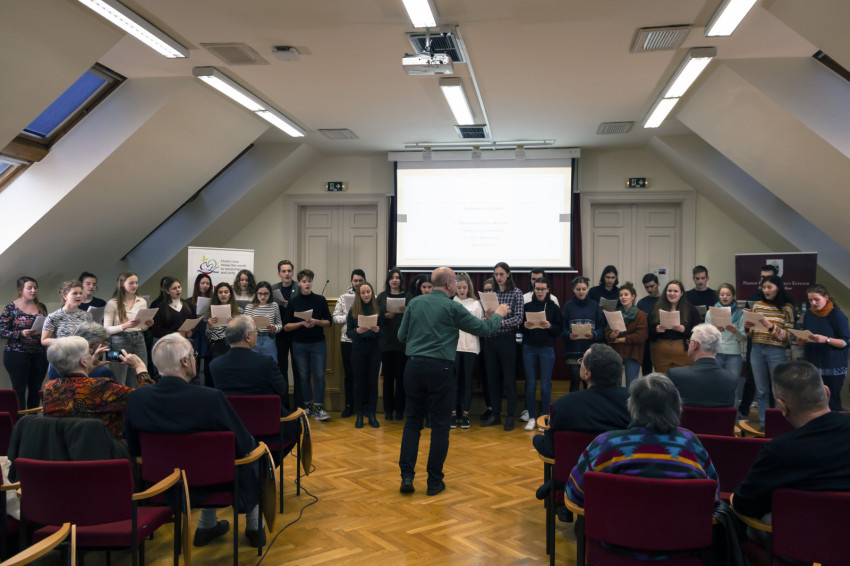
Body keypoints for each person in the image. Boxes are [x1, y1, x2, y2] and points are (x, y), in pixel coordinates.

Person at [124, 333, 264, 548]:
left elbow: (134, 447)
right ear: (184, 362)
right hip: (213, 481)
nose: (194, 359)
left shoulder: (137, 398)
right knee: (251, 449)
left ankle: (208, 525)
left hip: (161, 484)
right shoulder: (210, 398)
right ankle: (254, 526)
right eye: (193, 355)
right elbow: (242, 444)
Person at [566, 373, 718, 559]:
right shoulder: (691, 443)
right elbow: (713, 497)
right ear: (677, 407)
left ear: (632, 407)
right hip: (679, 550)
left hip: (616, 546)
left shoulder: (607, 443)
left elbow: (574, 493)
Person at [397, 267, 510, 496]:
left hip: (414, 367)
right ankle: (434, 482)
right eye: (455, 281)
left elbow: (401, 336)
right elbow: (484, 329)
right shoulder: (452, 307)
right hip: (440, 369)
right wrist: (499, 313)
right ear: (449, 284)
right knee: (440, 426)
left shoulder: (415, 303)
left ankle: (407, 477)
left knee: (412, 423)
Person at [732, 360, 850, 521]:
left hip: (800, 532)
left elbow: (743, 504)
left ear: (782, 406)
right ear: (827, 393)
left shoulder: (778, 451)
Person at [43, 335, 152, 440]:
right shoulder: (103, 386)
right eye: (89, 353)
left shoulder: (49, 388)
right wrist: (140, 367)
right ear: (83, 361)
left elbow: (77, 384)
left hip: (63, 449)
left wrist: (87, 368)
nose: (92, 355)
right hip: (105, 448)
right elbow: (147, 398)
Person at [533, 343, 630, 460]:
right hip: (622, 468)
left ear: (587, 373)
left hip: (575, 470)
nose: (580, 364)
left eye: (581, 361)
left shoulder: (562, 406)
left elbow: (550, 450)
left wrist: (536, 439)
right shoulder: (634, 402)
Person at [209, 316, 298, 442]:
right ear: (247, 337)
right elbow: (282, 390)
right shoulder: (266, 362)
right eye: (255, 331)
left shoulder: (215, 365)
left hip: (233, 432)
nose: (256, 334)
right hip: (270, 431)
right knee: (298, 426)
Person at [746, 275, 794, 427]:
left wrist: (772, 327)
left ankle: (779, 425)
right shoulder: (757, 306)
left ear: (778, 288)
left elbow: (788, 337)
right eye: (763, 287)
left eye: (769, 287)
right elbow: (752, 333)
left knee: (778, 391)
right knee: (761, 391)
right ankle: (764, 425)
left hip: (776, 351)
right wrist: (748, 327)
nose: (765, 290)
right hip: (756, 349)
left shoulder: (787, 308)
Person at [284, 269, 332, 421]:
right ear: (299, 283)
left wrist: (316, 321)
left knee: (319, 375)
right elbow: (286, 326)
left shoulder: (320, 300)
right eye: (304, 281)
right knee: (304, 376)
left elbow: (329, 322)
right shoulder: (293, 302)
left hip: (318, 343)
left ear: (312, 282)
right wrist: (301, 323)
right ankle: (308, 407)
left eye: (309, 281)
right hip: (299, 344)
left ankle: (319, 408)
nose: (307, 284)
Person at [481, 262, 524, 431]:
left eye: (501, 274)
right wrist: (488, 317)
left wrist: (497, 322)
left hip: (507, 339)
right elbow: (487, 316)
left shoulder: (516, 293)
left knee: (509, 378)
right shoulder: (491, 293)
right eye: (496, 274)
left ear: (508, 274)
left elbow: (518, 318)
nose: (498, 277)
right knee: (492, 378)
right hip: (491, 339)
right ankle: (496, 414)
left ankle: (511, 415)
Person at [798, 284, 849, 412]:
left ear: (826, 297)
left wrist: (826, 339)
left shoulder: (837, 315)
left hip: (833, 364)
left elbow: (845, 342)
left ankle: (835, 424)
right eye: (810, 300)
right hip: (812, 362)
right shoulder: (809, 314)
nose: (813, 303)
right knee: (814, 402)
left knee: (832, 402)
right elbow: (808, 335)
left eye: (816, 299)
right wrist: (802, 341)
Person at [739, 264, 780, 419]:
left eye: (768, 277)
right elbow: (746, 323)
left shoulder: (783, 299)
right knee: (751, 380)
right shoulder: (753, 297)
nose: (764, 280)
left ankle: (773, 417)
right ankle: (744, 412)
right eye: (762, 277)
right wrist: (748, 318)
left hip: (773, 345)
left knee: (773, 383)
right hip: (755, 343)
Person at [521, 277, 563, 431]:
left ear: (547, 290)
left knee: (545, 385)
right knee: (531, 384)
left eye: (542, 289)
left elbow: (559, 329)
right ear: (533, 290)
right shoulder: (527, 306)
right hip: (529, 347)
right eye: (537, 289)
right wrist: (525, 326)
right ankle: (532, 417)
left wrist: (550, 326)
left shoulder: (553, 307)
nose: (539, 292)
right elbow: (520, 328)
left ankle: (545, 417)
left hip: (546, 348)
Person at [1, 277, 49, 409]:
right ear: (20, 290)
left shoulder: (41, 306)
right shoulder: (11, 307)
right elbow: (2, 331)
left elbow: (46, 326)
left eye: (35, 288)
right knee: (19, 390)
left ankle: (32, 419)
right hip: (17, 354)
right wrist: (20, 333)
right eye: (29, 288)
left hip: (39, 354)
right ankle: (20, 419)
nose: (33, 290)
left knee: (36, 389)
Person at [668, 324, 738, 407]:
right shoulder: (731, 379)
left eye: (689, 342)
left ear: (695, 344)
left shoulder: (675, 375)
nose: (689, 344)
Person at [103, 271, 154, 387]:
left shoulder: (142, 301)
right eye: (131, 283)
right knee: (118, 377)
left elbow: (142, 327)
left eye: (136, 283)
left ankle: (136, 398)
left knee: (139, 375)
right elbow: (106, 330)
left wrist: (147, 324)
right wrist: (124, 326)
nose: (135, 286)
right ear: (122, 284)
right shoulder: (112, 303)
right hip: (117, 341)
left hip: (138, 338)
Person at [346, 280, 383, 428]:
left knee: (373, 382)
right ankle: (359, 415)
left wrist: (378, 330)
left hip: (374, 349)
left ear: (372, 293)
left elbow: (384, 333)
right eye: (363, 292)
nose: (366, 295)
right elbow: (349, 333)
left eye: (368, 292)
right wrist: (357, 331)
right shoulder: (353, 311)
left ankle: (372, 415)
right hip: (358, 349)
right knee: (358, 383)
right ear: (359, 295)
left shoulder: (378, 309)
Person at [705, 283, 747, 408]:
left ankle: (732, 417)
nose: (724, 297)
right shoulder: (710, 313)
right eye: (722, 294)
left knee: (732, 388)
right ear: (718, 296)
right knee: (715, 387)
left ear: (733, 296)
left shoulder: (740, 313)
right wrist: (715, 331)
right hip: (716, 353)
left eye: (728, 294)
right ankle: (717, 416)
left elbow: (743, 338)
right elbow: (706, 336)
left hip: (733, 356)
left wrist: (735, 331)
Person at [561, 276, 605, 392]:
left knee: (588, 382)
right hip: (573, 350)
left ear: (588, 289)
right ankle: (573, 404)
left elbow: (601, 328)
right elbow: (562, 328)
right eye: (578, 289)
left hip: (589, 350)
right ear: (573, 289)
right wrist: (568, 335)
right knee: (575, 379)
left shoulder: (594, 305)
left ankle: (587, 404)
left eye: (584, 289)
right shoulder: (568, 306)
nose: (581, 292)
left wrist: (594, 334)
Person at [332, 269, 366, 417]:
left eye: (360, 280)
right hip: (347, 340)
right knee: (349, 375)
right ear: (351, 281)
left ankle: (363, 406)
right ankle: (349, 405)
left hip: (365, 340)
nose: (357, 283)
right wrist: (348, 317)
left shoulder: (370, 295)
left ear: (364, 281)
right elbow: (335, 318)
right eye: (355, 280)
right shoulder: (343, 297)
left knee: (364, 374)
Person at [648, 280, 699, 374]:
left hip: (683, 352)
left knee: (682, 379)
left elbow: (698, 331)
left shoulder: (690, 308)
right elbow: (648, 330)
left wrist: (684, 330)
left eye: (675, 291)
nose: (672, 294)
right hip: (660, 352)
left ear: (681, 293)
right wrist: (656, 329)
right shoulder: (657, 307)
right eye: (669, 291)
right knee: (662, 380)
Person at [376, 268, 407, 421]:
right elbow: (375, 316)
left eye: (397, 277)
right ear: (388, 280)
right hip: (386, 342)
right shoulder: (382, 297)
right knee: (388, 378)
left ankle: (400, 410)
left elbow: (414, 315)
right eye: (392, 277)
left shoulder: (408, 296)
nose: (395, 280)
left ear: (401, 280)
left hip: (402, 343)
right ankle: (388, 410)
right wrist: (385, 315)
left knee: (401, 378)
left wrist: (407, 312)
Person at [452, 272, 482, 430]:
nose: (462, 290)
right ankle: (452, 414)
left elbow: (479, 324)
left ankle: (465, 415)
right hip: (454, 346)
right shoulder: (452, 302)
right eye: (459, 288)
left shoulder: (475, 304)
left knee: (467, 381)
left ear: (469, 287)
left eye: (464, 287)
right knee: (454, 381)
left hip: (470, 347)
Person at [605, 282, 648, 387]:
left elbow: (641, 336)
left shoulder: (640, 315)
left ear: (633, 297)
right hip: (616, 353)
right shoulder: (615, 313)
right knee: (615, 385)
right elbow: (607, 332)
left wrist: (621, 339)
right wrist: (612, 335)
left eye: (626, 294)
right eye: (621, 295)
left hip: (633, 353)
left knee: (631, 385)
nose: (623, 297)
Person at [47, 322, 116, 382]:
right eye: (104, 342)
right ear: (91, 346)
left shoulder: (55, 362)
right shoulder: (103, 372)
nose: (106, 345)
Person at [272, 260, 299, 411]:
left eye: (289, 271)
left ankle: (299, 404)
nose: (287, 274)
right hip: (279, 334)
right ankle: (284, 404)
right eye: (284, 271)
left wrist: (292, 306)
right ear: (279, 273)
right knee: (281, 369)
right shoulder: (273, 289)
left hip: (296, 333)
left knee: (298, 369)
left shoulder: (299, 287)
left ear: (292, 272)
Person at [204, 282, 241, 387]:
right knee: (216, 375)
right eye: (220, 292)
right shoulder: (210, 311)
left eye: (226, 292)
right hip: (217, 346)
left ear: (230, 294)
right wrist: (210, 324)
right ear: (216, 294)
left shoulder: (238, 311)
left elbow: (242, 332)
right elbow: (208, 335)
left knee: (231, 375)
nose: (223, 294)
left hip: (233, 346)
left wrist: (234, 324)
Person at [41, 280, 95, 347]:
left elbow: (92, 337)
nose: (79, 296)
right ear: (65, 296)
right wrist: (66, 341)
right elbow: (44, 340)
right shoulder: (53, 317)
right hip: (62, 352)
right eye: (75, 293)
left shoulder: (87, 315)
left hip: (82, 352)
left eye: (81, 293)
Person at [243, 281, 282, 363]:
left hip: (268, 338)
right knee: (253, 364)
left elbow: (279, 324)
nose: (263, 296)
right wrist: (251, 326)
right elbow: (244, 326)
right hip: (253, 338)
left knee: (271, 364)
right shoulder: (249, 307)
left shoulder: (274, 305)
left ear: (270, 294)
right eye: (260, 294)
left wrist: (275, 328)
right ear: (256, 294)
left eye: (266, 294)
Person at [478, 278, 497, 423]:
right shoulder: (478, 305)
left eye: (491, 290)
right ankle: (489, 407)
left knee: (495, 378)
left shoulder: (500, 304)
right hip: (482, 345)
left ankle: (496, 408)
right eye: (486, 291)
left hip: (497, 344)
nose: (488, 293)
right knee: (485, 377)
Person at [188, 273, 213, 382]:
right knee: (194, 363)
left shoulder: (214, 301)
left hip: (208, 331)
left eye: (207, 283)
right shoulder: (189, 301)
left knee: (208, 365)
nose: (205, 286)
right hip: (195, 333)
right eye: (203, 283)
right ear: (197, 284)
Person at [637, 273, 662, 376]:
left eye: (652, 286)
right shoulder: (641, 303)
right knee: (646, 373)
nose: (649, 289)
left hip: (661, 341)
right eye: (646, 287)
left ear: (658, 284)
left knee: (662, 373)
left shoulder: (665, 301)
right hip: (646, 342)